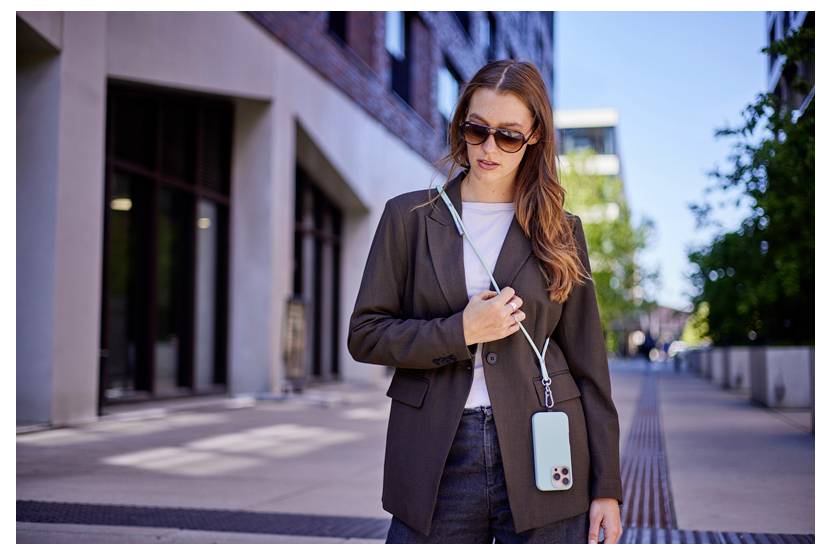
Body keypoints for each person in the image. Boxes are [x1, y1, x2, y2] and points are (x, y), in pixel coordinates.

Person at [347, 60, 623, 544]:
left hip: (543, 449)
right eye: (477, 130)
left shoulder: (561, 231)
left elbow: (589, 366)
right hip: (437, 452)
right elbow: (366, 335)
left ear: (534, 136)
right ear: (461, 127)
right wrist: (461, 332)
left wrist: (606, 488)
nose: (489, 148)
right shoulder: (408, 218)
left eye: (509, 136)